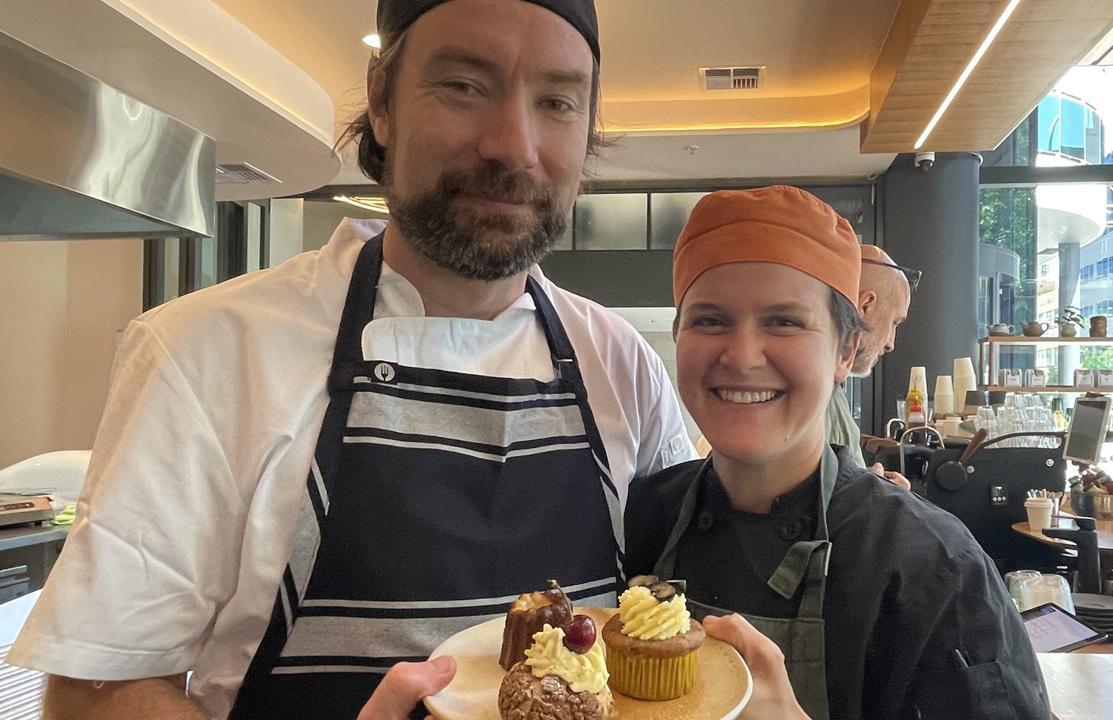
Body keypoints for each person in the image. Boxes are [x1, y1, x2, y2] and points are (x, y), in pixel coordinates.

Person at [10, 1, 696, 718]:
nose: (513, 145)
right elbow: (100, 694)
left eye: (556, 102)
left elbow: (670, 638)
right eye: (464, 85)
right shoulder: (208, 352)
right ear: (382, 100)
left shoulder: (621, 363)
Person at [624, 185, 1051, 720]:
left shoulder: (933, 568)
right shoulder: (644, 515)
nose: (741, 355)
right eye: (710, 320)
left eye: (783, 321)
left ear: (846, 350)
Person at [824, 245, 914, 488]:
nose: (890, 343)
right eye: (893, 323)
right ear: (865, 306)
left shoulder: (830, 386)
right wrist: (882, 496)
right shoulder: (818, 390)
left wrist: (874, 486)